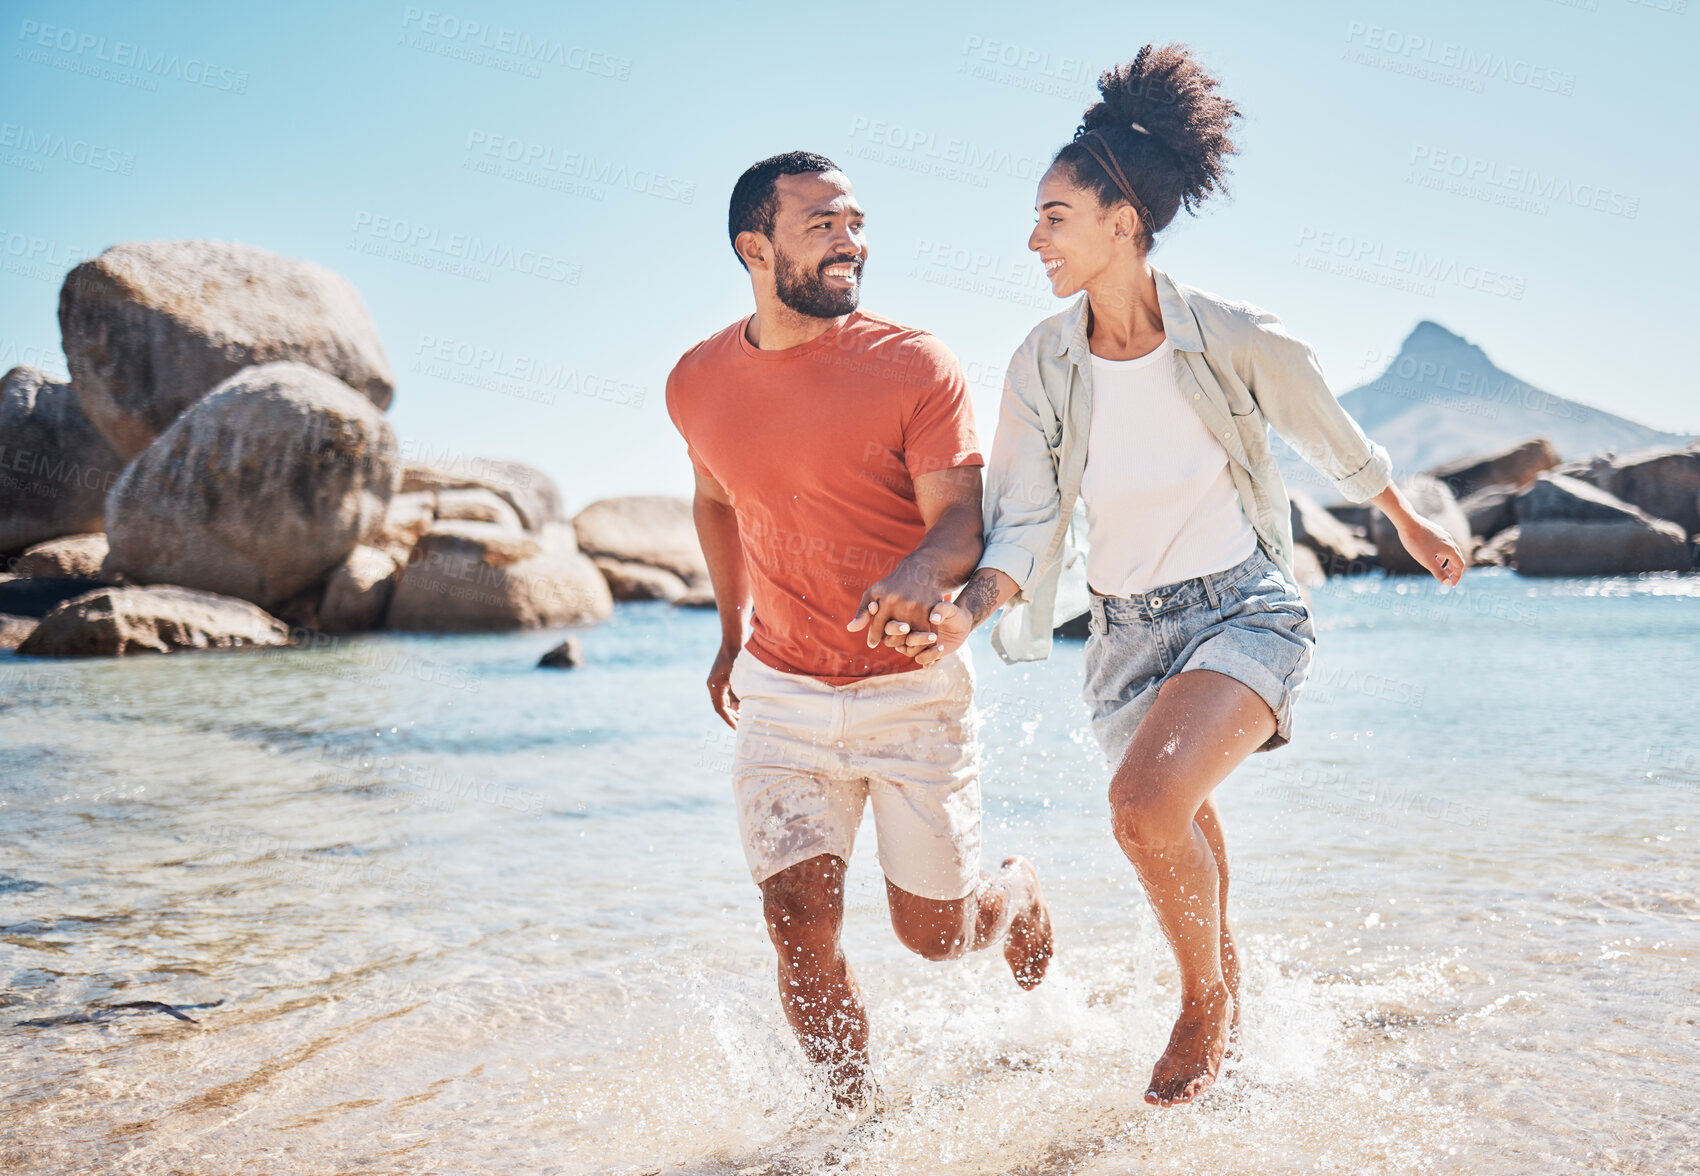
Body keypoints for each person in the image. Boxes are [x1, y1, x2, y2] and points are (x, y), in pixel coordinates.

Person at [885, 46, 1466, 1108]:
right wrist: (965, 608)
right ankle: (1232, 993)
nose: (1032, 238)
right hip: (1124, 639)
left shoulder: (1230, 336)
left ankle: (1199, 1003)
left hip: (1241, 609)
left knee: (1141, 808)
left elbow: (1331, 438)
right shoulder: (1041, 363)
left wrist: (1409, 523)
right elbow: (1016, 523)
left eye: (1053, 215)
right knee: (1177, 816)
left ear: (1121, 220)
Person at [665, 150, 1054, 1107]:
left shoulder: (912, 362)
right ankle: (856, 1127)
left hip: (909, 688)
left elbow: (959, 520)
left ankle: (1018, 894)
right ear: (755, 248)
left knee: (937, 936)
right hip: (783, 691)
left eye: (855, 223)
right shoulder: (695, 381)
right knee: (798, 920)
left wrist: (919, 571)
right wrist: (729, 632)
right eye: (823, 226)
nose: (852, 243)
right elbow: (714, 502)